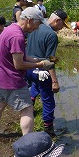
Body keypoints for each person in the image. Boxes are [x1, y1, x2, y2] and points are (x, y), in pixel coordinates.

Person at [0, 7, 54, 143]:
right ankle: (28, 145)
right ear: (29, 20)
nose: (37, 28)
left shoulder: (11, 28)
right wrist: (40, 65)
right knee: (27, 109)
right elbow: (19, 65)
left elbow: (20, 56)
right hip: (11, 80)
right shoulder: (17, 36)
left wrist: (37, 60)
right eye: (37, 24)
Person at [25, 9, 70, 137]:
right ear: (58, 21)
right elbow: (50, 60)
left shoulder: (34, 26)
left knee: (34, 86)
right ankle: (48, 129)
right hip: (42, 71)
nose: (61, 29)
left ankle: (31, 104)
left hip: (28, 68)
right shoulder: (51, 35)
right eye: (62, 25)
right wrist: (55, 81)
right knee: (48, 100)